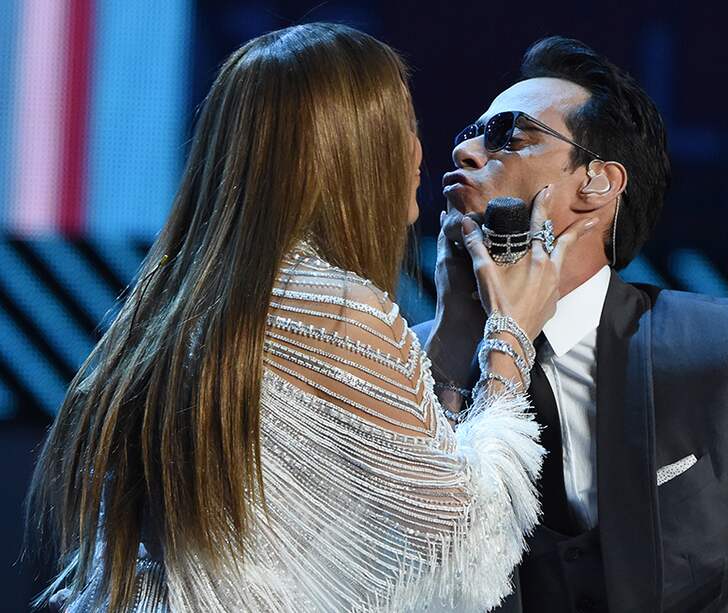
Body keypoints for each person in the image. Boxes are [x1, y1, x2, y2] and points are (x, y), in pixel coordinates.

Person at [25, 23, 598, 612]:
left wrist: (453, 333)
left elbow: (394, 502)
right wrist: (509, 336)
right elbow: (465, 552)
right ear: (351, 148)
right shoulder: (339, 309)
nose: (427, 150)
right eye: (403, 122)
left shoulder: (172, 308)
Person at [416, 36, 728, 611]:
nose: (468, 153)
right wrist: (448, 363)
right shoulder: (419, 358)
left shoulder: (720, 348)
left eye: (510, 137)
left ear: (597, 182)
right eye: (468, 136)